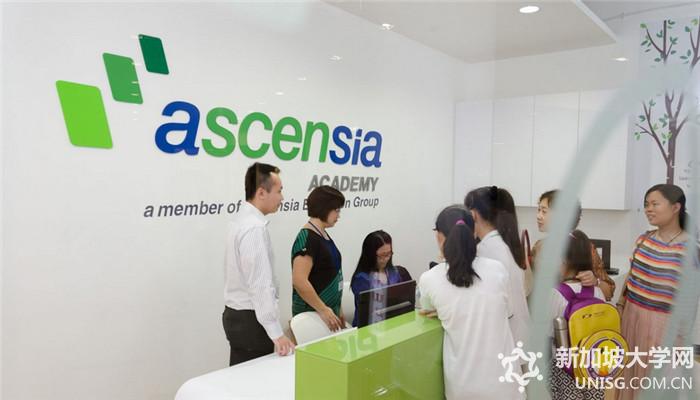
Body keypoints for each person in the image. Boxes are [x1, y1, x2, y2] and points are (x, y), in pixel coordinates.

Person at [418, 205, 521, 399]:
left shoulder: (429, 279)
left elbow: (427, 309)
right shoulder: (497, 270)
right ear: (473, 233)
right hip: (506, 385)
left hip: (463, 387)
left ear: (439, 236)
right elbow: (507, 311)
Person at [615, 184, 689, 400]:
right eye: (646, 204)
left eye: (655, 204)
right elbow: (631, 276)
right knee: (630, 375)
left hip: (665, 324)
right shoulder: (643, 239)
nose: (648, 209)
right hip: (632, 317)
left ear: (675, 207)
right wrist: (620, 305)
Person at [222, 162, 294, 366]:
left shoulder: (239, 221)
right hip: (251, 322)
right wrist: (276, 333)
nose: (282, 198)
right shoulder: (254, 228)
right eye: (279, 191)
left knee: (241, 375)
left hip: (238, 316)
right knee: (252, 379)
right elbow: (260, 284)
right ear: (261, 192)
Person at [465, 186, 531, 345]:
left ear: (473, 214)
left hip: (506, 339)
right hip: (522, 335)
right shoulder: (508, 245)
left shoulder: (484, 250)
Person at [549, 230, 605, 400]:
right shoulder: (597, 291)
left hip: (565, 369)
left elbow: (548, 333)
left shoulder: (556, 293)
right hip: (594, 366)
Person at [533, 190, 615, 301]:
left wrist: (595, 282)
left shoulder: (583, 247)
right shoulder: (539, 246)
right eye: (538, 210)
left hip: (575, 310)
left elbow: (609, 290)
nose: (538, 216)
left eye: (544, 211)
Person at [291, 185, 346, 331]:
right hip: (313, 317)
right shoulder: (307, 238)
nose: (338, 215)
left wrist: (338, 308)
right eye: (336, 210)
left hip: (329, 314)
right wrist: (323, 310)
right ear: (325, 208)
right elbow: (299, 281)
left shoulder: (323, 235)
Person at [350, 230, 412, 326]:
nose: (386, 259)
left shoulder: (396, 272)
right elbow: (370, 311)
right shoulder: (361, 279)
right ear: (370, 255)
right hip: (368, 328)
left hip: (395, 323)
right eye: (382, 255)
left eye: (389, 254)